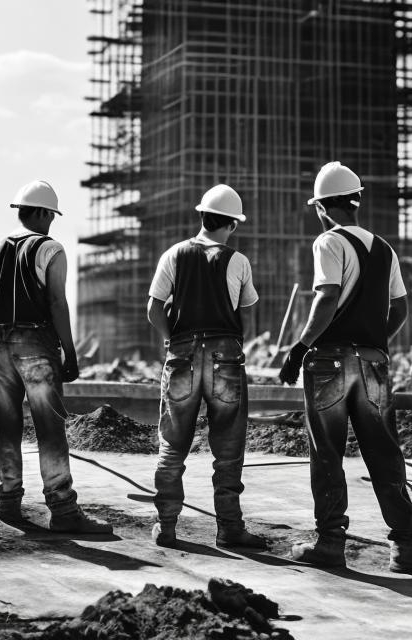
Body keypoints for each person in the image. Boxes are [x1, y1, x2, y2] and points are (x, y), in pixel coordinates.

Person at [279, 162, 412, 576]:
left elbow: (327, 298)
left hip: (329, 362)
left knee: (327, 453)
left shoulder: (328, 242)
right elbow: (401, 307)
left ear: (322, 208)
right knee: (385, 453)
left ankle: (330, 543)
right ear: (356, 201)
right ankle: (406, 548)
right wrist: (374, 340)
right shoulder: (385, 249)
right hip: (374, 364)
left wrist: (300, 347)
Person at [0, 180, 112, 534]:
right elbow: (56, 302)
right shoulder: (50, 249)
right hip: (35, 342)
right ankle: (63, 510)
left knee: (7, 426)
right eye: (51, 215)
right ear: (40, 213)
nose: (52, 222)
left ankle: (9, 503)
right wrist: (69, 349)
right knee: (49, 428)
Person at [147, 184, 266, 550]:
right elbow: (246, 314)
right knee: (228, 449)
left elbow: (153, 309)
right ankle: (229, 528)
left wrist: (175, 341)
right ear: (232, 224)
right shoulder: (238, 261)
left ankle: (166, 525)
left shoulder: (173, 254)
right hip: (225, 356)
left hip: (182, 354)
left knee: (172, 445)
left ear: (201, 217)